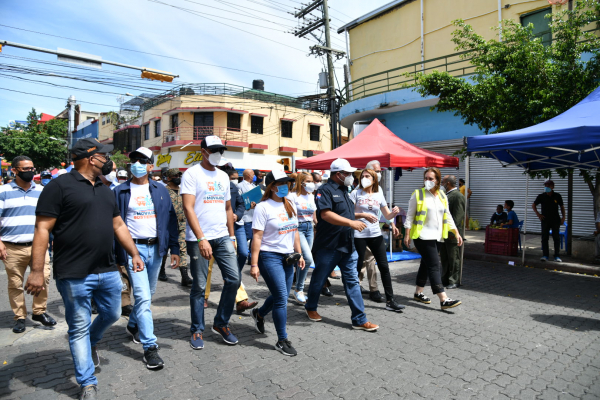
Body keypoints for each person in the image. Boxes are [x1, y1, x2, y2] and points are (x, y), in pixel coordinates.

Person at [26, 138, 144, 400]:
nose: (109, 161)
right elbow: (42, 229)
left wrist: (134, 253)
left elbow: (118, 225)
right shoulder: (58, 187)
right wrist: (36, 271)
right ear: (92, 158)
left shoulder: (104, 189)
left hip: (108, 269)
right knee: (77, 327)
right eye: (105, 156)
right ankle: (87, 383)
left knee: (113, 313)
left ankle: (90, 342)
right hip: (73, 273)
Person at [114, 148, 180, 369]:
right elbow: (113, 225)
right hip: (135, 251)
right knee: (142, 296)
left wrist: (175, 249)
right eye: (133, 160)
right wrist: (118, 254)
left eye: (143, 161)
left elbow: (171, 221)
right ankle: (150, 347)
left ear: (151, 166)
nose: (137, 164)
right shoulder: (120, 191)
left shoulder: (160, 190)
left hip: (157, 250)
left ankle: (133, 324)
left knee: (148, 294)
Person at [304, 158, 379, 331]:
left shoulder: (346, 190)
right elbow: (326, 215)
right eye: (349, 173)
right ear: (339, 174)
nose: (352, 176)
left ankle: (359, 319)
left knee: (352, 281)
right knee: (319, 279)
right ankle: (311, 307)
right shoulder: (325, 190)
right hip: (328, 245)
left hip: (348, 244)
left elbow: (346, 213)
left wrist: (360, 216)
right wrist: (351, 223)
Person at [181, 135, 240, 349]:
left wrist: (232, 236)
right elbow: (188, 208)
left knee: (233, 279)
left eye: (220, 150)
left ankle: (221, 323)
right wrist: (201, 238)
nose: (217, 154)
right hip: (199, 239)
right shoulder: (192, 174)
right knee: (198, 285)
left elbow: (228, 208)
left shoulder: (223, 177)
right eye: (213, 149)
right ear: (203, 150)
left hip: (222, 236)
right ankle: (197, 329)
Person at [250, 170, 304, 356]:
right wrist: (254, 264)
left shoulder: (290, 204)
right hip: (269, 257)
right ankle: (282, 340)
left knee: (279, 294)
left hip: (288, 257)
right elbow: (256, 237)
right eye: (281, 183)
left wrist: (300, 254)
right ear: (272, 186)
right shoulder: (263, 207)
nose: (286, 186)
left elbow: (294, 231)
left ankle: (259, 314)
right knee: (281, 298)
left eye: (288, 183)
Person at [0, 156, 56, 334]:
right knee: (15, 283)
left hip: (38, 246)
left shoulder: (41, 191)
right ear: (15, 170)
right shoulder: (3, 191)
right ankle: (20, 317)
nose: (30, 172)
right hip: (11, 247)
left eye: (32, 168)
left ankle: (39, 311)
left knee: (44, 277)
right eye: (25, 169)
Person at [404, 167, 463, 310]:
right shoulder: (417, 194)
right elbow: (410, 216)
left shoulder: (442, 195)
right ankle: (443, 299)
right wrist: (407, 234)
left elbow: (447, 215)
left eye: (431, 179)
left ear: (437, 180)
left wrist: (456, 232)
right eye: (426, 178)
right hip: (422, 236)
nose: (427, 181)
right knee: (435, 264)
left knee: (426, 263)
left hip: (437, 236)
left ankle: (418, 292)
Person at [350, 168, 404, 312]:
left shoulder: (379, 195)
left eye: (368, 176)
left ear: (374, 179)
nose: (364, 178)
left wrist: (394, 213)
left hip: (375, 234)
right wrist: (363, 215)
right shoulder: (355, 193)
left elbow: (386, 215)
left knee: (384, 266)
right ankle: (354, 299)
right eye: (363, 176)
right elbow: (347, 214)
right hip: (359, 235)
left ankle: (390, 300)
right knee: (356, 267)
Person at [205, 168, 258, 314]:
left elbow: (240, 205)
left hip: (232, 229)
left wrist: (236, 215)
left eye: (236, 178)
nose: (235, 180)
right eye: (233, 177)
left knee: (233, 264)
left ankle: (240, 300)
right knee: (208, 265)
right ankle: (204, 295)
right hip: (211, 231)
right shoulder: (206, 186)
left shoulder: (232, 187)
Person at [158, 168, 193, 286]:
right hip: (168, 223)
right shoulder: (164, 191)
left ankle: (184, 276)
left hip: (183, 223)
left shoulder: (183, 191)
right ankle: (161, 270)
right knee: (166, 247)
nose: (178, 178)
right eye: (175, 176)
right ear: (168, 178)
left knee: (182, 248)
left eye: (179, 175)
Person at [286, 172, 316, 304]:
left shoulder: (311, 196)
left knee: (302, 261)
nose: (311, 183)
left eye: (312, 181)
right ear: (301, 182)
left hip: (310, 228)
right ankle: (299, 289)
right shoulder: (292, 196)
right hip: (298, 229)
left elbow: (314, 215)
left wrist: (318, 226)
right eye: (308, 181)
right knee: (308, 259)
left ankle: (296, 289)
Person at [440, 175, 465, 289]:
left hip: (452, 233)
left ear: (448, 183)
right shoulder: (447, 195)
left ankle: (454, 280)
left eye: (443, 182)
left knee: (454, 258)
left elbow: (457, 217)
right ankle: (445, 278)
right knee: (445, 257)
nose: (441, 184)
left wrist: (453, 232)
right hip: (444, 233)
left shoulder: (457, 196)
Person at [532, 180, 566, 262]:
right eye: (545, 185)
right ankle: (545, 255)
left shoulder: (557, 196)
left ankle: (557, 256)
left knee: (556, 238)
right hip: (545, 220)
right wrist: (538, 214)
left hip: (555, 220)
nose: (546, 187)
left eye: (548, 185)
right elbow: (533, 205)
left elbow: (562, 207)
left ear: (552, 187)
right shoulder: (541, 196)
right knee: (544, 237)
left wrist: (563, 217)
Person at [239, 169, 258, 264]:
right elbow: (240, 201)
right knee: (247, 237)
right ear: (248, 175)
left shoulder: (254, 186)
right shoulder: (240, 186)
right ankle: (242, 254)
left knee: (254, 238)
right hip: (246, 216)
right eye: (253, 174)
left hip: (255, 216)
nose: (254, 176)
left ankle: (251, 258)